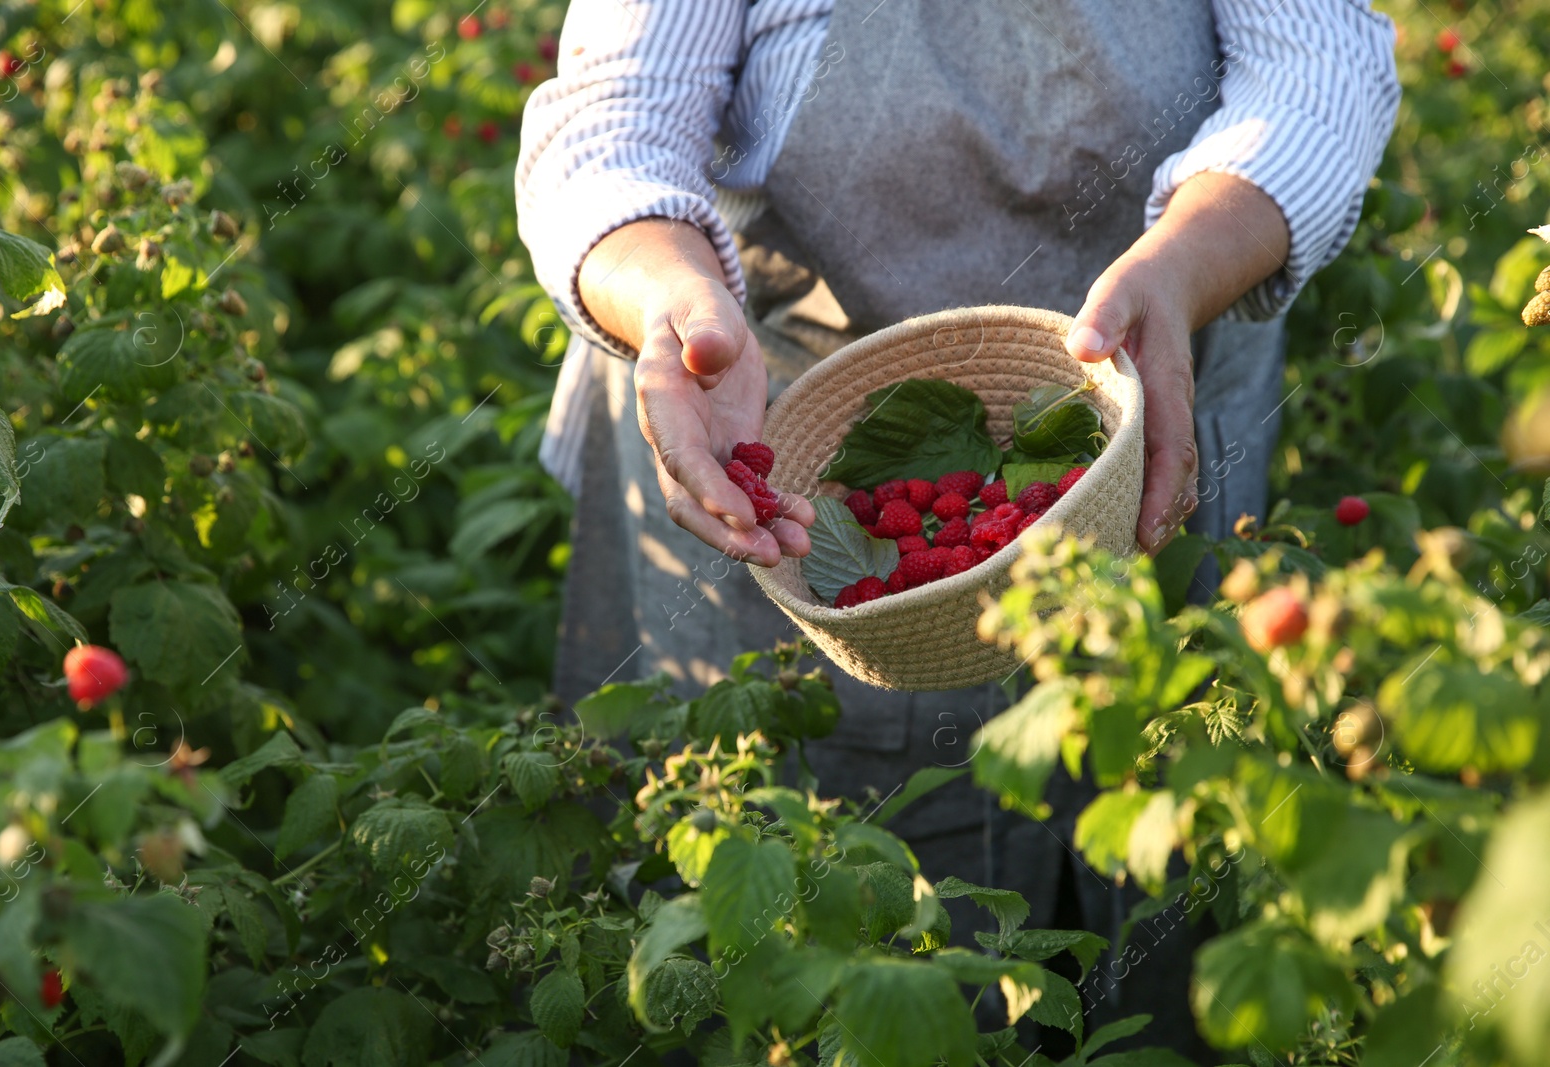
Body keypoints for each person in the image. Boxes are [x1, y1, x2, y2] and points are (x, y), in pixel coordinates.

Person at [516, 1, 1397, 1058]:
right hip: (786, 412)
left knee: (1156, 826)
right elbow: (613, 123)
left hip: (1153, 359)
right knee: (811, 895)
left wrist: (1179, 267)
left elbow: (1319, 67)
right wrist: (673, 299)